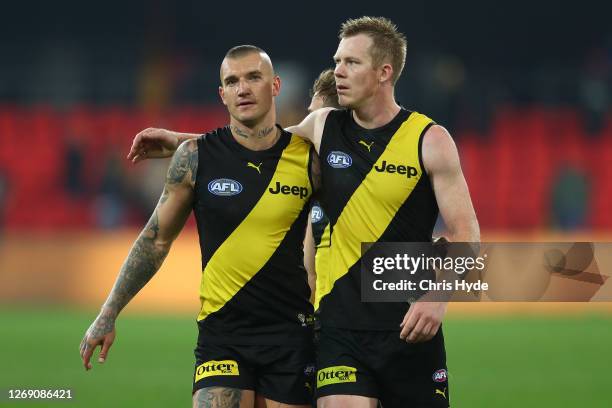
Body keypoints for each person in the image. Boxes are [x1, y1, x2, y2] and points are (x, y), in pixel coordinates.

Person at [128, 16, 480, 408]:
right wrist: (179, 142)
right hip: (340, 333)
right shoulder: (323, 126)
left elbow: (467, 232)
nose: (338, 72)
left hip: (411, 327)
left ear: (384, 72)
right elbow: (257, 148)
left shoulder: (430, 140)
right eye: (337, 61)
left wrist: (437, 296)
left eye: (351, 63)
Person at [80, 45, 321, 408]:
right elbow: (155, 240)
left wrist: (426, 285)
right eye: (232, 81)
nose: (243, 88)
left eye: (254, 77)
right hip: (222, 336)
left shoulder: (308, 160)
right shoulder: (195, 158)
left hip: (291, 336)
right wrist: (107, 313)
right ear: (222, 95)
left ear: (275, 86)